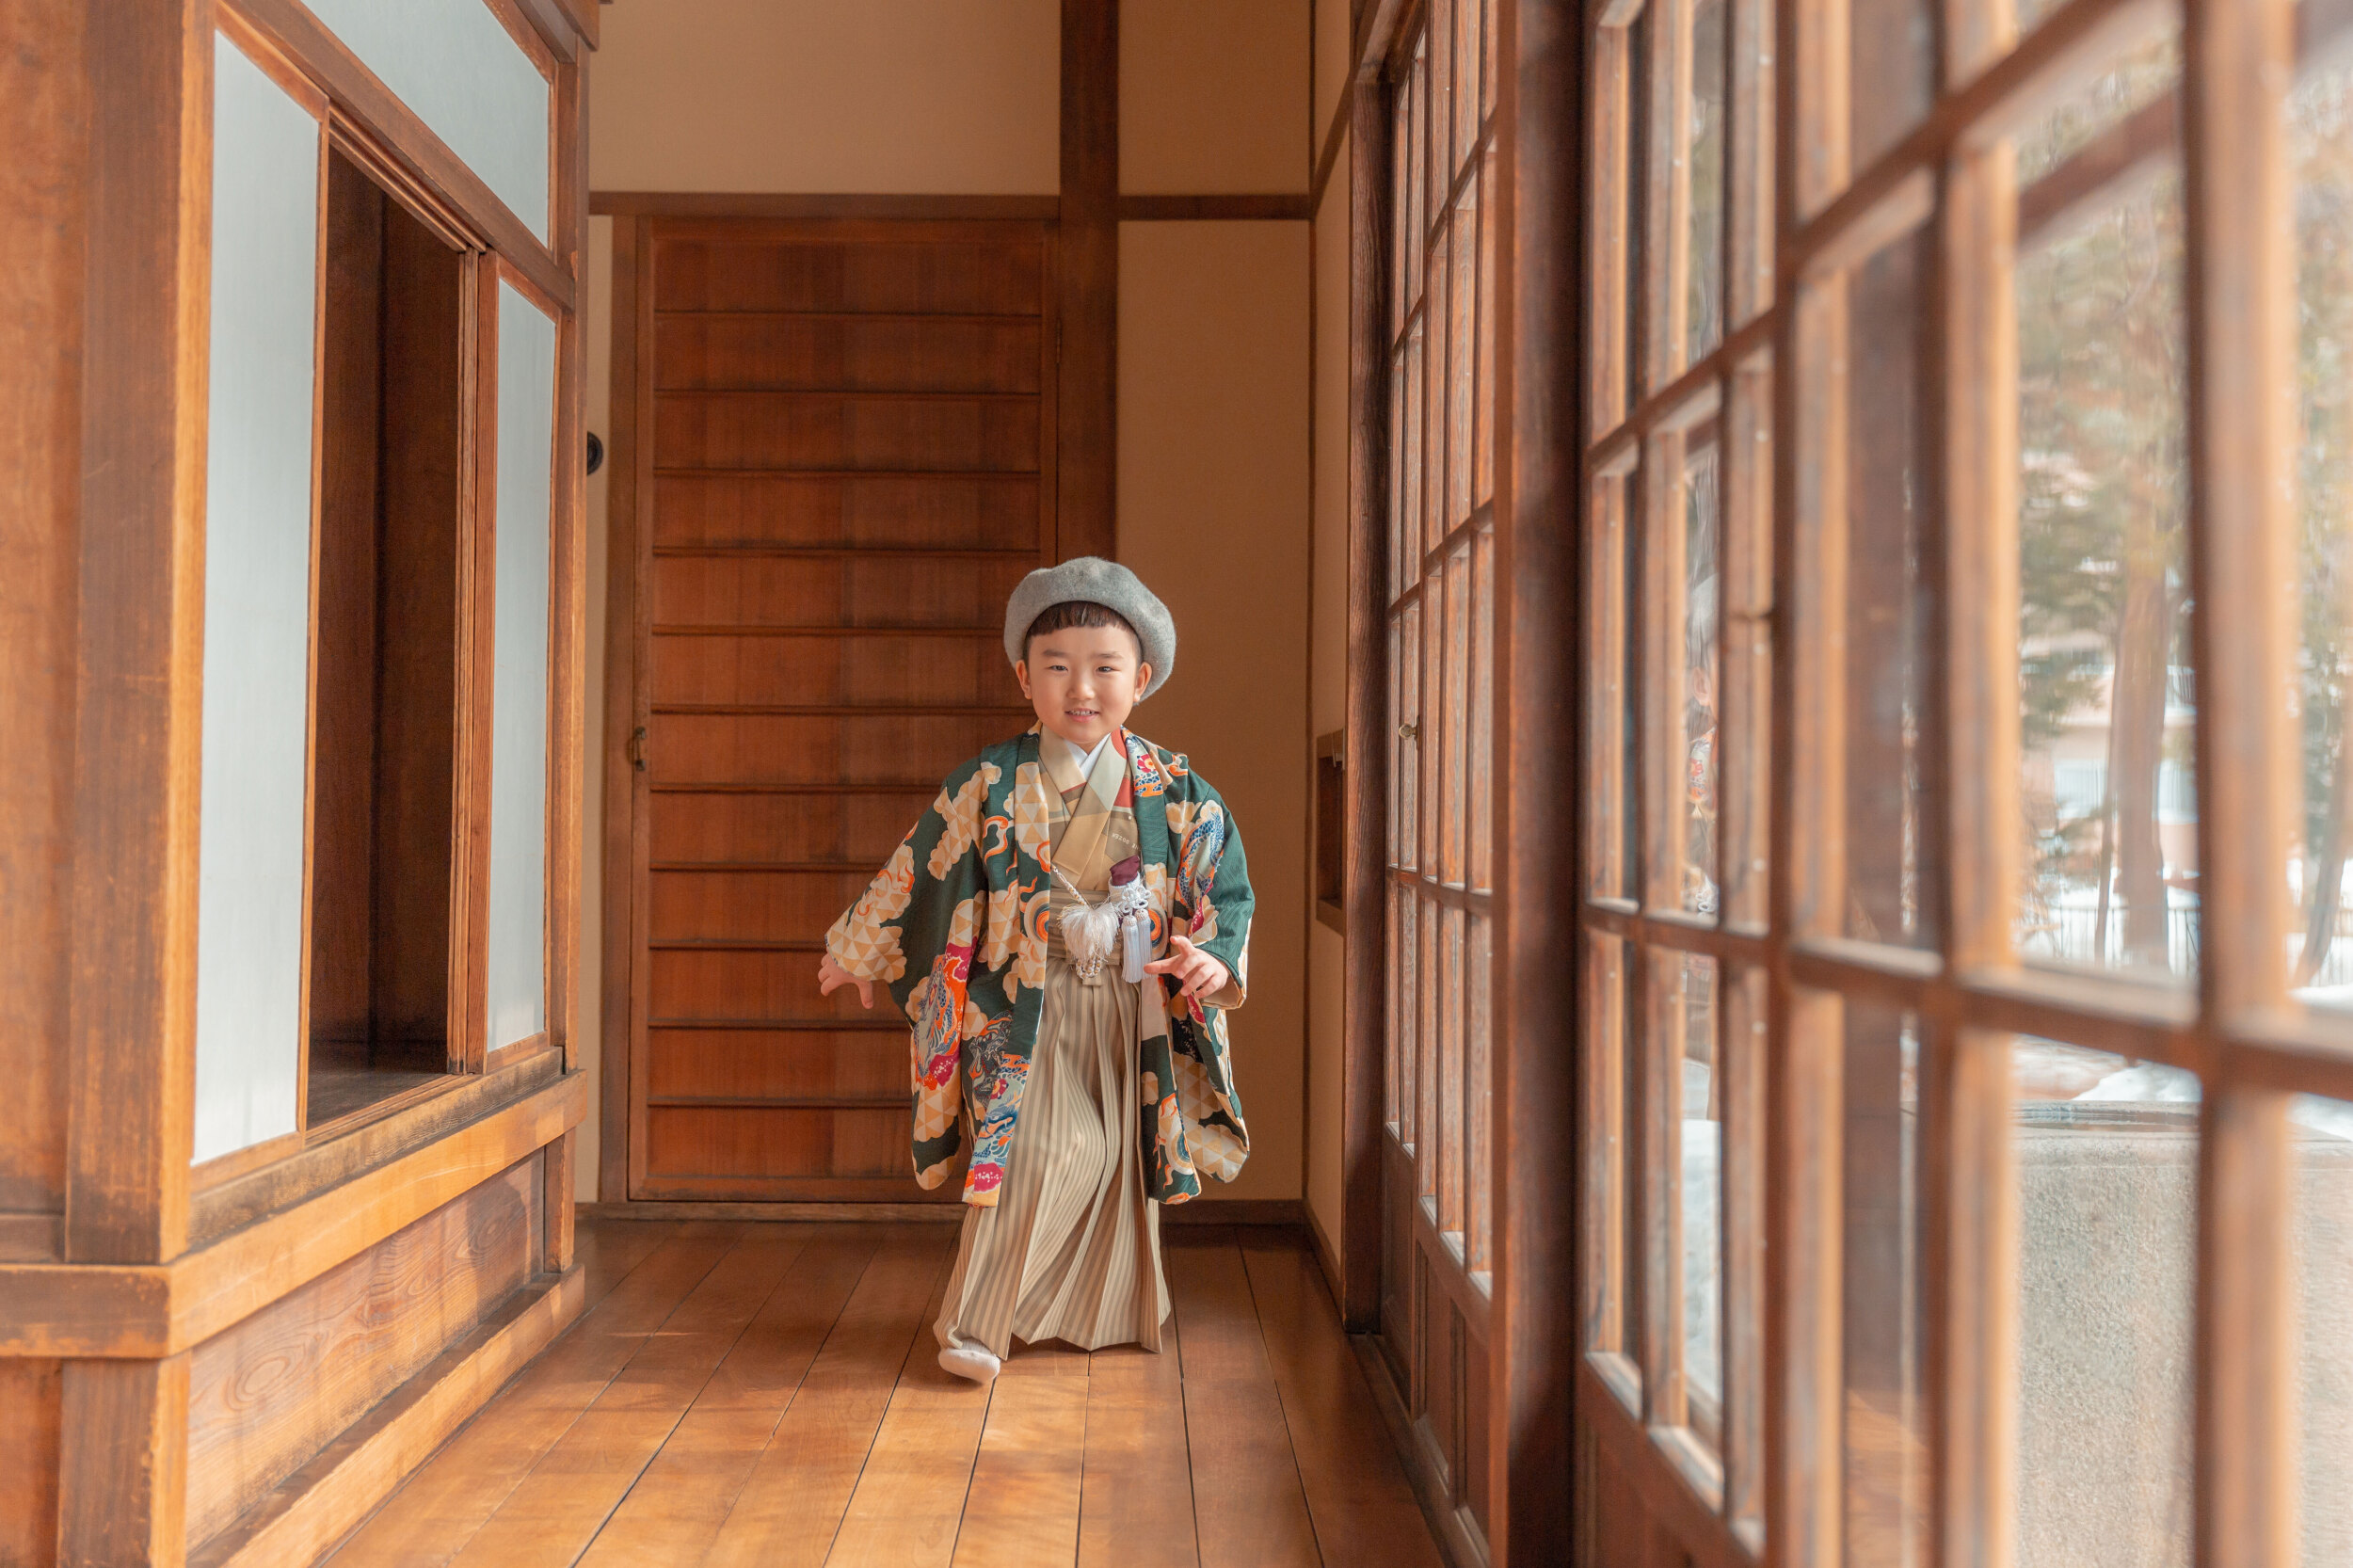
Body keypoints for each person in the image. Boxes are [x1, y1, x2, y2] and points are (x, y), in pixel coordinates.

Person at [816, 557, 1255, 1384]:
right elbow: (926, 866)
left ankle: (1103, 1311)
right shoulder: (990, 780)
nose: (1080, 687)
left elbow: (1223, 886)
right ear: (1025, 678)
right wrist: (859, 949)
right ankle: (973, 1324)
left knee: (1120, 1161)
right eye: (1057, 667)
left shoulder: (1176, 787)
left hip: (1134, 1003)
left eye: (1104, 668)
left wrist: (1211, 954)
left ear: (1142, 678)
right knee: (1046, 1150)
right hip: (1028, 999)